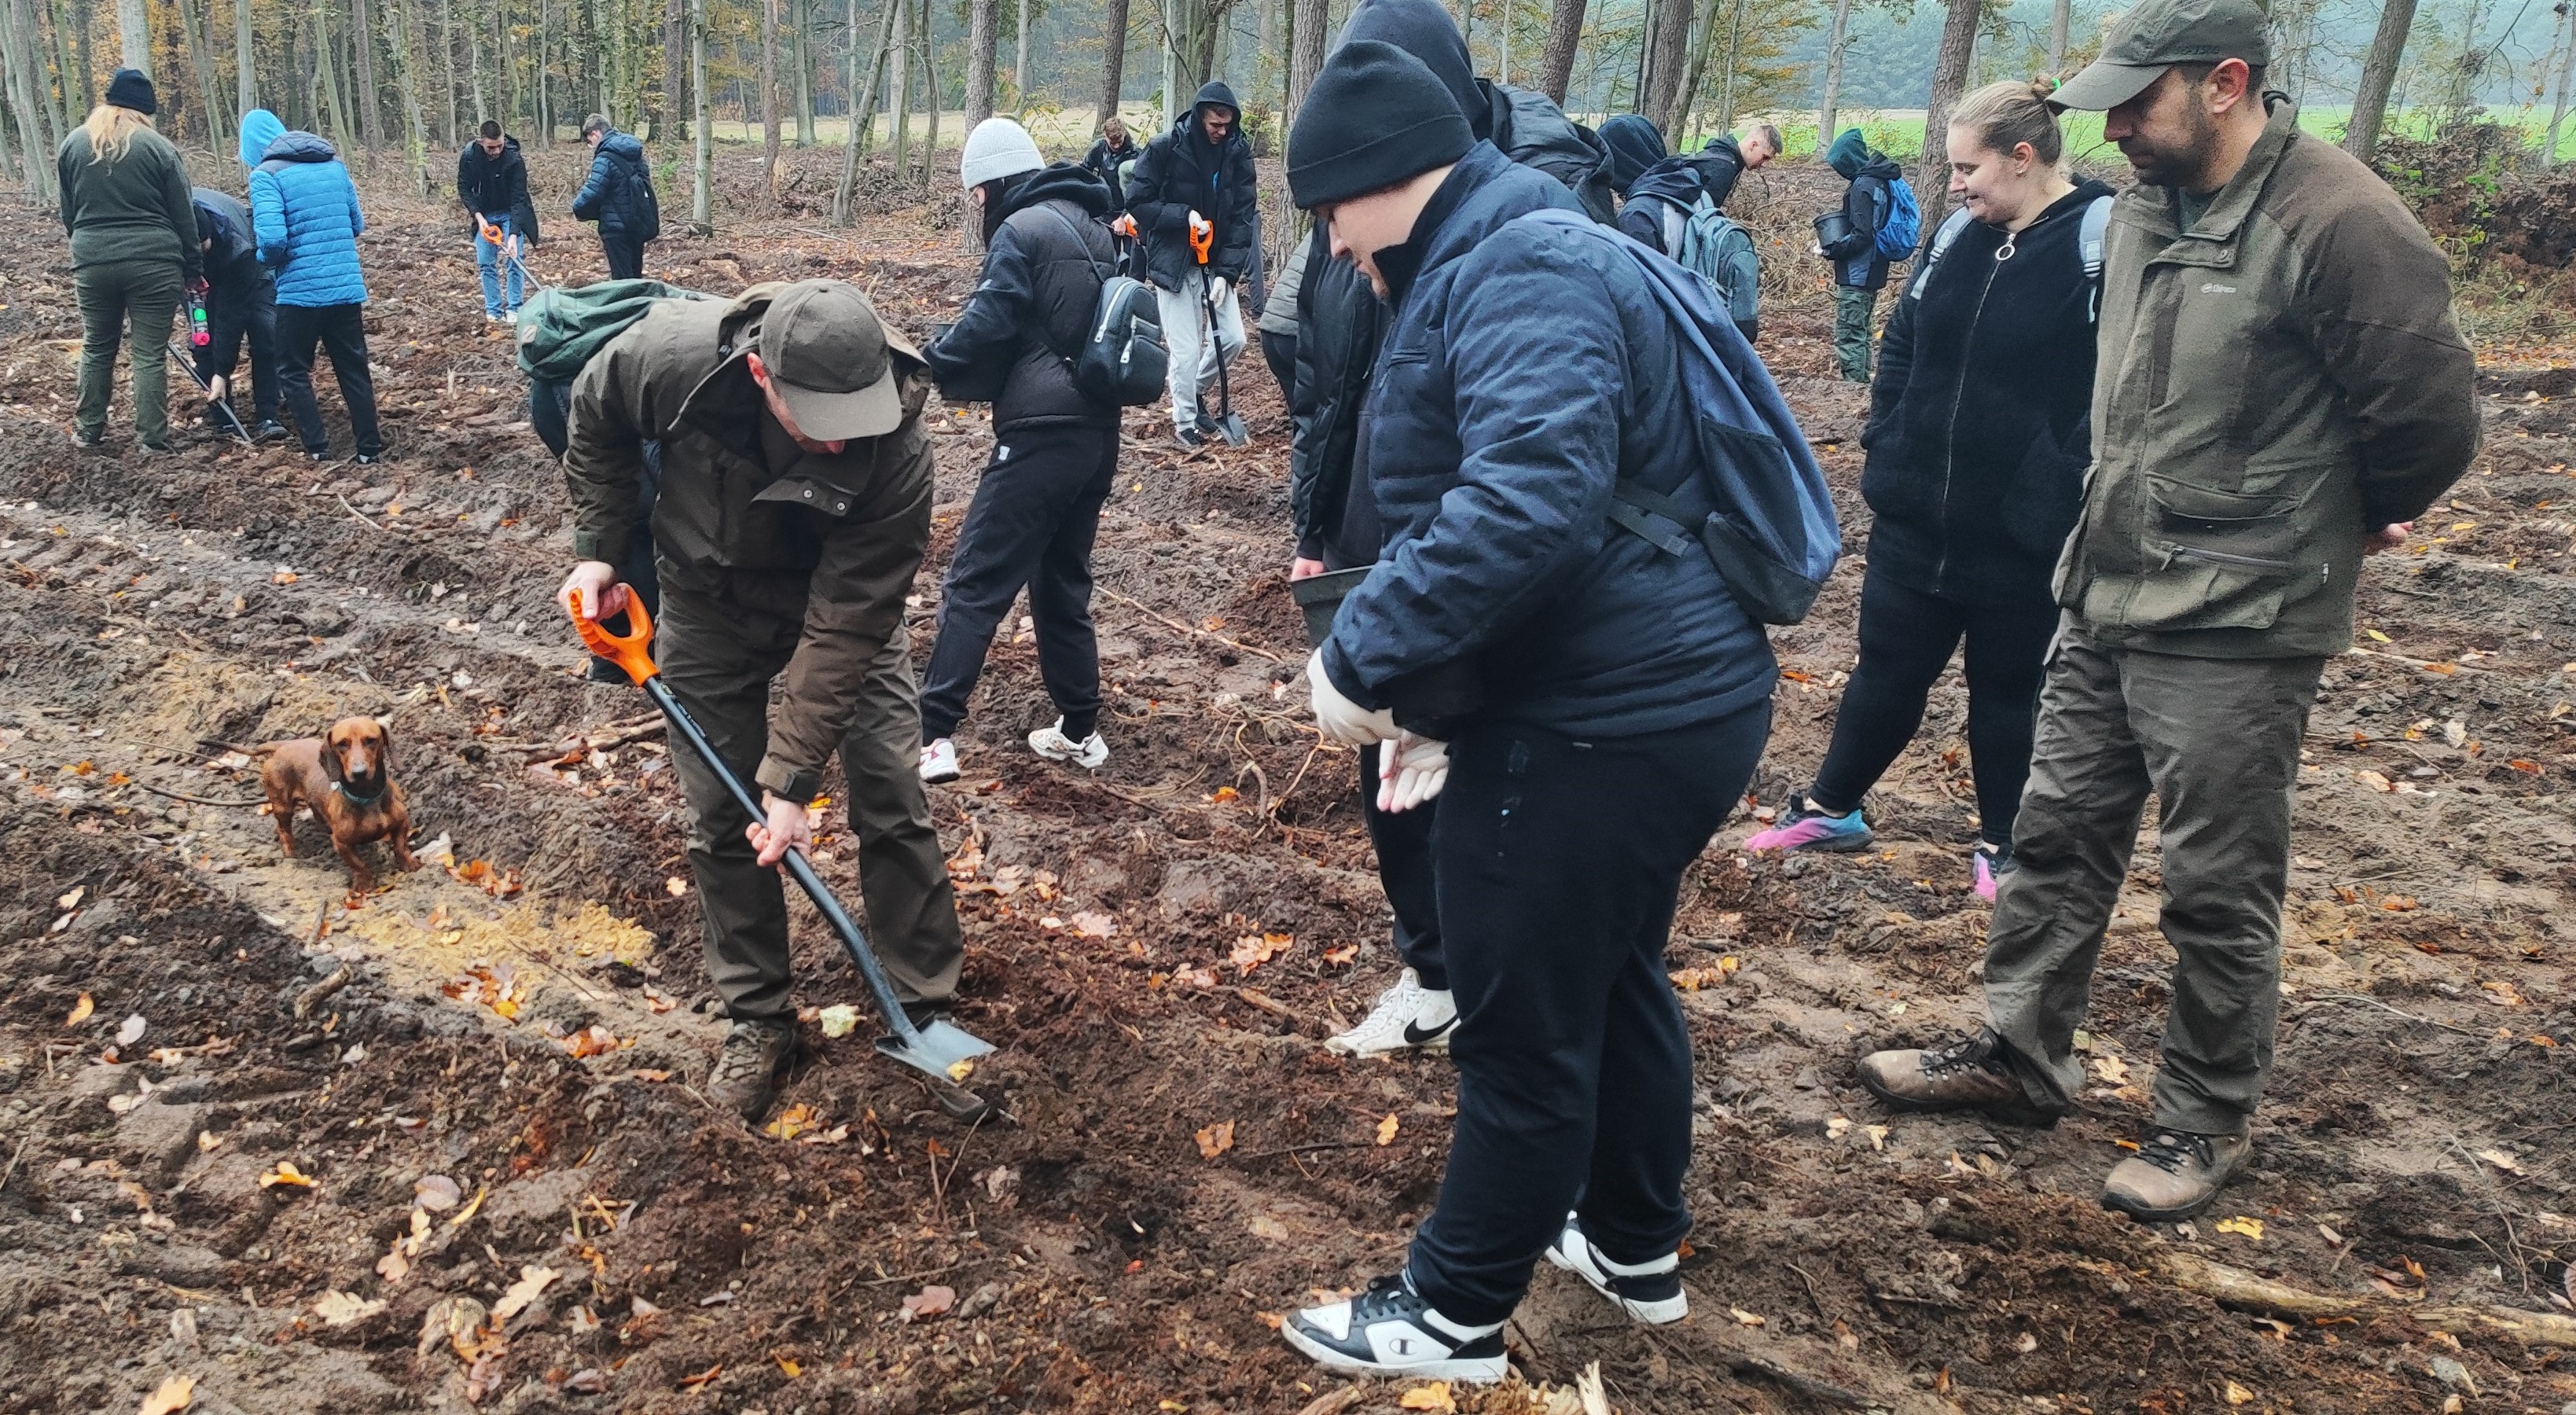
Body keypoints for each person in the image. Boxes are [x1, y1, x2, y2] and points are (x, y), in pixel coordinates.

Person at [1856, 0, 2480, 1223]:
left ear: (2227, 83)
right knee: (2053, 833)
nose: (2118, 129)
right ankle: (2019, 1054)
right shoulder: (2145, 206)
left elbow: (2428, 419)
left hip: (2243, 614)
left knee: (2215, 881)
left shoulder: (2340, 222)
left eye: (2139, 104)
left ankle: (2202, 1115)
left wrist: (2337, 513)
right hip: (2108, 582)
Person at [1275, 41, 1780, 1380]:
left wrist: (1361, 659)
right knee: (1603, 969)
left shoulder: (1515, 267)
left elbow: (1526, 503)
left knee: (1516, 1017)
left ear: (1383, 179)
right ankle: (1628, 1241)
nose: (1328, 245)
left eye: (1329, 210)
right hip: (1662, 691)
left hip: (1601, 715)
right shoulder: (1512, 242)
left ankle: (1448, 1312)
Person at [1286, 0, 1616, 1059]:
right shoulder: (1358, 218)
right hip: (1376, 525)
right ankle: (1430, 968)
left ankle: (1499, 990)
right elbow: (1336, 387)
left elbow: (1535, 473)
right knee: (1386, 765)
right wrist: (1317, 524)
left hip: (1480, 542)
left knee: (1482, 773)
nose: (1336, 241)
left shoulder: (1533, 216)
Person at [558, 279, 967, 1121]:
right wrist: (600, 549)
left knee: (890, 788)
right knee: (720, 814)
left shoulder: (900, 446)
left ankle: (922, 1000)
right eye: (816, 421)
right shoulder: (672, 357)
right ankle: (757, 1018)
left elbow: (849, 623)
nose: (837, 443)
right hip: (708, 597)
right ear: (760, 377)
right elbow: (593, 412)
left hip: (840, 604)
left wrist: (791, 780)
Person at [1746, 83, 2114, 899]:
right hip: (1917, 515)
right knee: (1886, 668)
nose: (1954, 184)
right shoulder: (1956, 237)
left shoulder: (2100, 242)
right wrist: (1889, 435)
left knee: (2007, 692)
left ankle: (2002, 847)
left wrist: (2058, 477)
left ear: (2023, 159)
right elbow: (1904, 339)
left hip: (2025, 530)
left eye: (1966, 167)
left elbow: (2124, 384)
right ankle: (1834, 808)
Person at [917, 120, 1122, 784]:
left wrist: (930, 360)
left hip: (1039, 434)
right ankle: (1080, 729)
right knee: (1061, 582)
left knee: (975, 578)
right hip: (1096, 435)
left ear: (996, 184)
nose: (979, 206)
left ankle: (933, 736)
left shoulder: (1020, 230)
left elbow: (992, 317)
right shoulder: (1095, 226)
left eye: (978, 193)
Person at [56, 69, 200, 453]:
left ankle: (88, 431)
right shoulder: (157, 147)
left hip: (93, 259)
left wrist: (88, 247)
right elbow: (183, 215)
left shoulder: (73, 144)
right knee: (148, 352)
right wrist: (193, 266)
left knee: (98, 345)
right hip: (155, 262)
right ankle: (152, 439)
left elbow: (68, 212)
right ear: (145, 111)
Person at [1123, 82, 1256, 447]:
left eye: (1228, 124)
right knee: (1186, 350)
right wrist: (1184, 216)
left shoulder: (1237, 153)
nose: (1222, 131)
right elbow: (1138, 202)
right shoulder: (1166, 148)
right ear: (1200, 116)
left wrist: (1228, 273)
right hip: (1175, 261)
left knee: (1232, 338)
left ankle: (1195, 392)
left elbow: (1244, 217)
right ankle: (1184, 423)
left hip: (1215, 262)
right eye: (1216, 124)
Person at [250, 119, 384, 465]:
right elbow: (357, 225)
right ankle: (369, 449)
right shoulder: (336, 168)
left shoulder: (266, 175)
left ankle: (317, 448)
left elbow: (274, 241)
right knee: (353, 368)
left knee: (293, 370)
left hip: (299, 293)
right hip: (345, 288)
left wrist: (263, 260)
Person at [189, 185, 285, 439]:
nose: (200, 253)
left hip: (250, 271)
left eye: (202, 247)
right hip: (194, 282)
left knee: (266, 334)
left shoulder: (236, 248)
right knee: (203, 339)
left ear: (208, 234)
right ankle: (224, 420)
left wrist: (223, 371)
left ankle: (268, 414)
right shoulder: (167, 239)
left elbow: (229, 316)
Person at [1817, 127, 1904, 382]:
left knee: (1850, 333)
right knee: (1863, 331)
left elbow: (1862, 235)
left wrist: (1832, 249)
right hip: (1875, 269)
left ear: (1848, 159)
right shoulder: (1880, 180)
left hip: (1858, 272)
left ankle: (1853, 387)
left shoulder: (1862, 185)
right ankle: (1862, 382)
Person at [458, 120, 531, 324]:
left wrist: (513, 235)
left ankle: (515, 307)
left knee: (514, 258)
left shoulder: (514, 159)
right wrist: (479, 218)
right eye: (491, 147)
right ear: (481, 142)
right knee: (485, 262)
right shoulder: (470, 157)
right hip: (485, 213)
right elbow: (464, 189)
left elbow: (519, 199)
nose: (497, 150)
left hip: (509, 212)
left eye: (500, 145)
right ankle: (493, 309)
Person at [573, 114, 658, 281]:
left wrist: (576, 206)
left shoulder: (604, 158)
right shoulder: (635, 154)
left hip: (615, 228)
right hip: (637, 223)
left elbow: (593, 191)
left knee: (621, 280)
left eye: (590, 141)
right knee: (635, 276)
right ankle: (639, 305)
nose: (592, 146)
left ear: (595, 134)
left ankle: (625, 306)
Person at [1255, 232, 1306, 401]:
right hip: (1293, 335)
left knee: (1299, 411)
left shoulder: (1315, 237)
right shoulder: (1340, 238)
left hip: (1269, 329)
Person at [1693, 122, 1778, 211]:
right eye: (1765, 157)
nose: (1765, 165)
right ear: (1753, 146)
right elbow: (1702, 216)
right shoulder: (1725, 168)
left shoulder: (1723, 152)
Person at [1081, 115, 1141, 209]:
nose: (1117, 146)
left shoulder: (1136, 153)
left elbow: (1140, 186)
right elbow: (1084, 170)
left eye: (1119, 141)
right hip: (1104, 201)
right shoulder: (1098, 148)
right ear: (1105, 137)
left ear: (1124, 134)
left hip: (1126, 204)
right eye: (1112, 143)